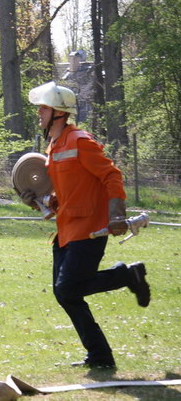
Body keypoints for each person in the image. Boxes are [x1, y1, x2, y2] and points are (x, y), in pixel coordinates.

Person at [22, 81, 151, 369]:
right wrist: (40, 201)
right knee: (65, 293)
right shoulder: (54, 146)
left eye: (44, 108)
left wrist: (116, 214)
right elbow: (66, 192)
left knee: (68, 290)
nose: (39, 112)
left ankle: (127, 275)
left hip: (90, 229)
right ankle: (100, 356)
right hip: (66, 230)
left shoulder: (81, 141)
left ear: (59, 112)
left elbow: (112, 176)